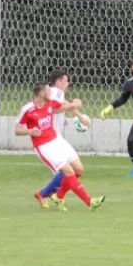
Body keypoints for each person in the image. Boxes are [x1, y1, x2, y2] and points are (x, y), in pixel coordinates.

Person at [16, 81, 105, 212]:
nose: (51, 92)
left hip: (57, 139)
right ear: (41, 93)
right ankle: (89, 201)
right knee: (68, 171)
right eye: (48, 90)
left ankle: (58, 196)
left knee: (79, 170)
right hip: (43, 145)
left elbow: (64, 106)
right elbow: (17, 130)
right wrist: (29, 131)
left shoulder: (50, 102)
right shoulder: (27, 110)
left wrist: (76, 106)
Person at [34, 70, 92, 206]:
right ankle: (54, 195)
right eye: (67, 81)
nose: (68, 83)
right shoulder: (56, 91)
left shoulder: (55, 93)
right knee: (67, 170)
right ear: (59, 81)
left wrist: (78, 115)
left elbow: (59, 105)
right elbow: (54, 108)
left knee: (77, 169)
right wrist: (76, 110)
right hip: (49, 139)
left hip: (56, 136)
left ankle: (49, 194)